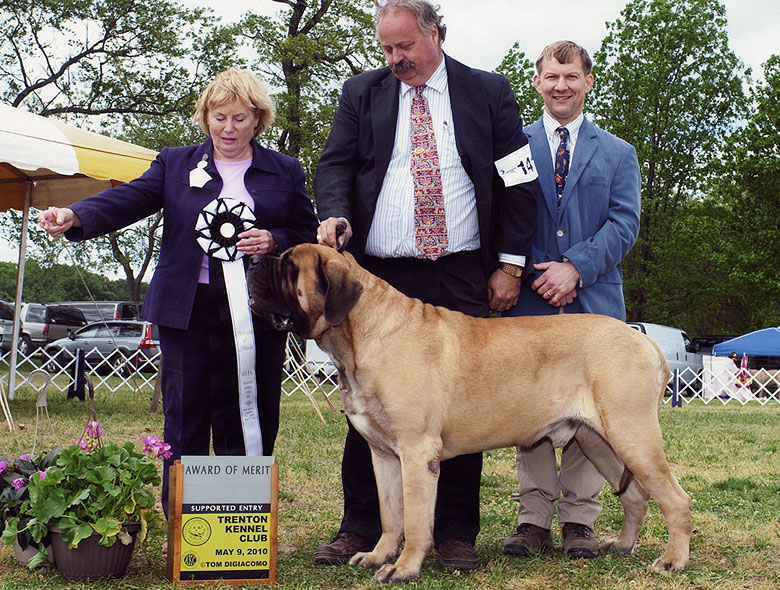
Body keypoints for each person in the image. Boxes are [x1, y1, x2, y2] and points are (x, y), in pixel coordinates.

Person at [313, 0, 539, 570]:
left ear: (435, 33)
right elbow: (335, 166)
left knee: (467, 401)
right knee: (370, 406)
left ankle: (455, 533)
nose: (395, 59)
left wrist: (510, 267)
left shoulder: (489, 91)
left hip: (460, 269)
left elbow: (519, 183)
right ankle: (362, 526)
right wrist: (335, 213)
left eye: (405, 47)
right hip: (381, 276)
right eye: (386, 49)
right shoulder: (360, 93)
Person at [39, 68, 319, 516]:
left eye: (240, 119)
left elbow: (307, 231)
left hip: (255, 312)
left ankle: (239, 520)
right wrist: (75, 215)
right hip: (186, 311)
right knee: (185, 416)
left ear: (258, 121)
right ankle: (183, 522)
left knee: (249, 410)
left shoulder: (283, 169)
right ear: (205, 117)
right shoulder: (174, 162)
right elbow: (129, 198)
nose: (228, 128)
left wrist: (274, 240)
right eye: (219, 117)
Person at [500, 41, 641, 560]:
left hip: (594, 303)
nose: (561, 85)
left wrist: (575, 268)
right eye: (552, 76)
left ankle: (581, 521)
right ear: (536, 81)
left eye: (572, 76)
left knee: (594, 415)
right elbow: (506, 217)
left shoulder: (619, 153)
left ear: (588, 82)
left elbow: (625, 224)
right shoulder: (513, 148)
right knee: (530, 413)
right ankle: (532, 518)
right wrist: (527, 271)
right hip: (530, 303)